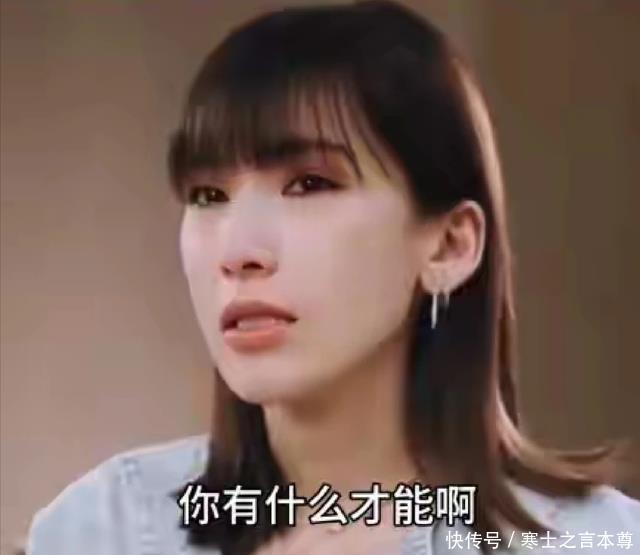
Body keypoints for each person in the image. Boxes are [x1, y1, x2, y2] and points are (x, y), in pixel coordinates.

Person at [26, 1, 639, 554]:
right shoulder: (104, 530)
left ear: (450, 245)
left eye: (310, 184)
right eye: (208, 195)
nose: (238, 252)